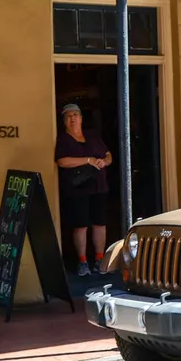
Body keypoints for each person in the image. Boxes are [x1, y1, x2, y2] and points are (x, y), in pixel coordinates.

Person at [54, 103, 111, 276]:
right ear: (64, 121)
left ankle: (100, 259)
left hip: (99, 186)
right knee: (80, 226)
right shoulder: (64, 139)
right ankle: (83, 261)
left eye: (75, 115)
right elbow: (62, 161)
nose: (72, 119)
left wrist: (103, 162)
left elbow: (108, 155)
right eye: (68, 116)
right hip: (78, 189)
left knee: (99, 223)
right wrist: (88, 160)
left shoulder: (92, 135)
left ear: (81, 118)